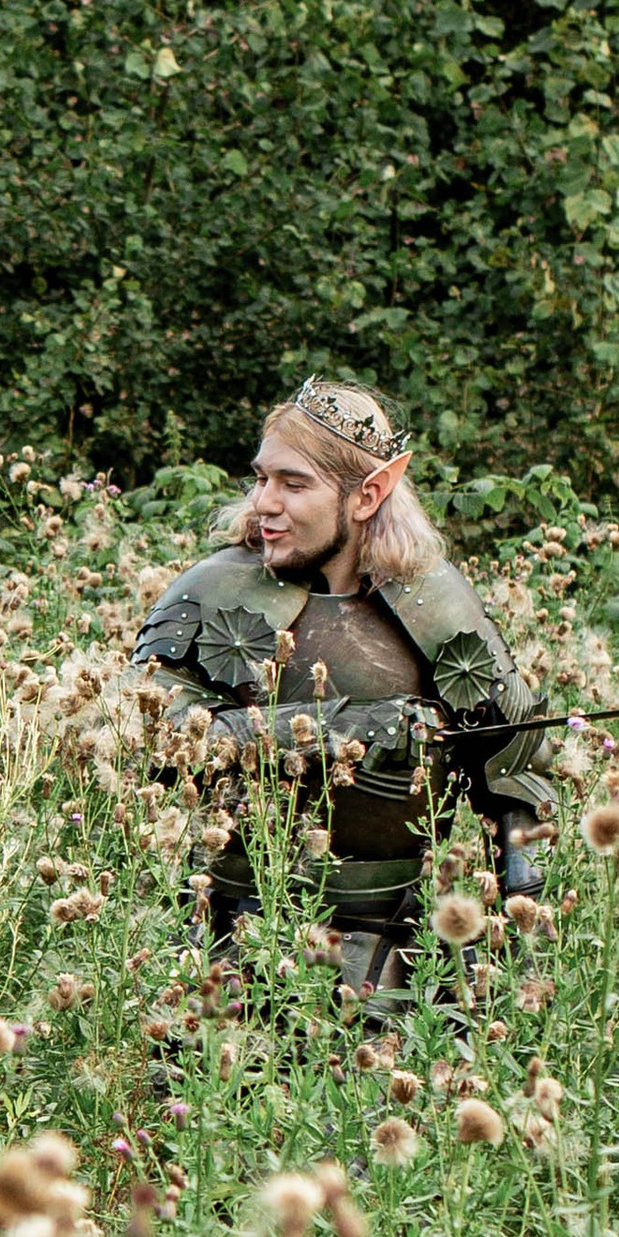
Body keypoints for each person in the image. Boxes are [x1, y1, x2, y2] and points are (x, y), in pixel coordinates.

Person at [131, 378, 551, 998]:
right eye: (262, 478)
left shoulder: (434, 601)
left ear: (368, 494)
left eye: (294, 484)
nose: (263, 502)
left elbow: (516, 769)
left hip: (397, 954)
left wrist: (523, 948)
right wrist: (329, 730)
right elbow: (134, 736)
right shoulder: (215, 589)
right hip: (229, 940)